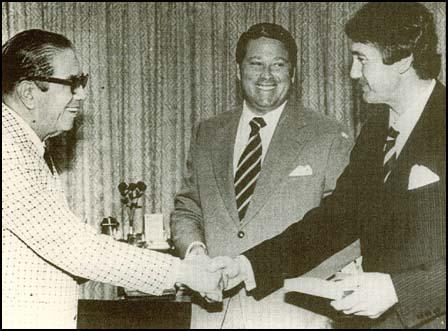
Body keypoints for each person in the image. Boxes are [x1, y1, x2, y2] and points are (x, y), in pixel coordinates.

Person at [212, 3, 446, 329]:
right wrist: (248, 265)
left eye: (362, 59)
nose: (352, 72)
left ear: (404, 60)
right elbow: (336, 219)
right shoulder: (377, 128)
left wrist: (398, 289)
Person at [1, 29, 223, 329]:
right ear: (29, 93)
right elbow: (74, 248)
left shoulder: (30, 148)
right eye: (72, 83)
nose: (81, 94)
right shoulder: (7, 149)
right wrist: (184, 273)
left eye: (83, 81)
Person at [170, 22, 355, 328]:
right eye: (256, 64)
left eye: (278, 65)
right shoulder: (208, 131)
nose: (267, 75)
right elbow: (187, 207)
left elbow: (344, 227)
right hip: (213, 312)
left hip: (291, 312)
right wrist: (195, 254)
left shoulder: (328, 134)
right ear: (238, 70)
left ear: (292, 73)